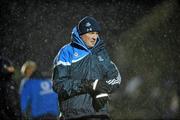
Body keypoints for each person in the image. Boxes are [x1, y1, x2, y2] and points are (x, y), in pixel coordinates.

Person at [52, 16, 121, 120]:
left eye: (96, 33)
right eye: (91, 33)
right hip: (74, 115)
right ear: (81, 34)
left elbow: (116, 78)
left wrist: (103, 90)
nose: (95, 37)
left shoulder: (101, 53)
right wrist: (89, 85)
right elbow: (59, 84)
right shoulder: (67, 52)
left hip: (100, 114)